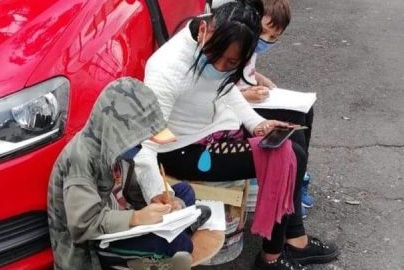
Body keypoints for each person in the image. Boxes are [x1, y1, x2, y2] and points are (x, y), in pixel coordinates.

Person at [133, 1, 339, 270]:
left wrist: (256, 125)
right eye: (216, 58)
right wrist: (158, 199)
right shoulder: (167, 68)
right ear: (205, 30)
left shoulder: (223, 42)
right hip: (183, 149)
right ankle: (272, 256)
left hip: (218, 127)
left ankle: (294, 236)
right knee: (286, 152)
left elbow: (226, 88)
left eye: (231, 63)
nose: (221, 67)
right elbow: (147, 148)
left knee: (297, 125)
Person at [47, 78, 196, 270]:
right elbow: (83, 225)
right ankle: (155, 250)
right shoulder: (80, 160)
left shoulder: (115, 145)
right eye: (137, 141)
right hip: (97, 242)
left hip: (122, 218)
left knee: (184, 191)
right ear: (119, 131)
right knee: (182, 245)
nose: (140, 146)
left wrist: (156, 199)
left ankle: (177, 225)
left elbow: (131, 189)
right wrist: (137, 218)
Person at [237, 0, 315, 217]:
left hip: (252, 102)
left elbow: (247, 70)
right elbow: (216, 92)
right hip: (239, 111)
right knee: (294, 128)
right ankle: (292, 200)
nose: (265, 40)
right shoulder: (236, 39)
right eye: (263, 32)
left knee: (305, 112)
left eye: (273, 38)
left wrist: (260, 78)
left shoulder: (249, 46)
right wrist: (245, 94)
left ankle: (299, 181)